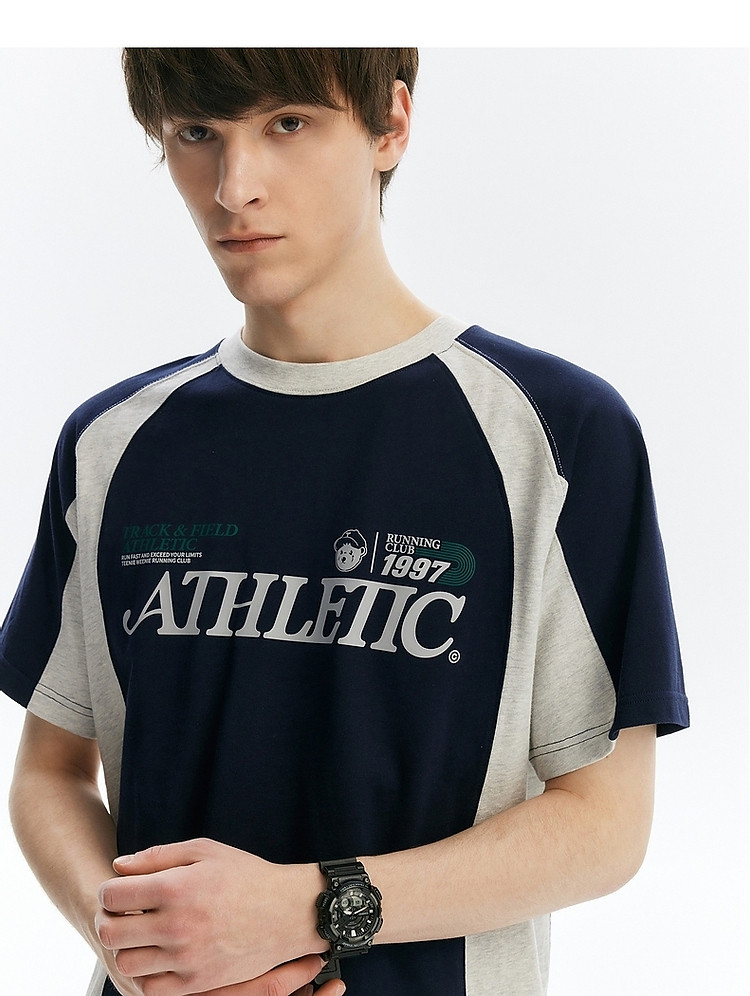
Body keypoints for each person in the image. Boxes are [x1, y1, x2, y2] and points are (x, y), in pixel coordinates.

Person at [0, 48, 690, 996]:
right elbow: (50, 773)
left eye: (287, 124)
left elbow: (606, 824)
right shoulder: (112, 443)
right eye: (198, 134)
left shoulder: (555, 434)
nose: (234, 188)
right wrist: (138, 945)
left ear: (389, 124)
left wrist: (303, 910)